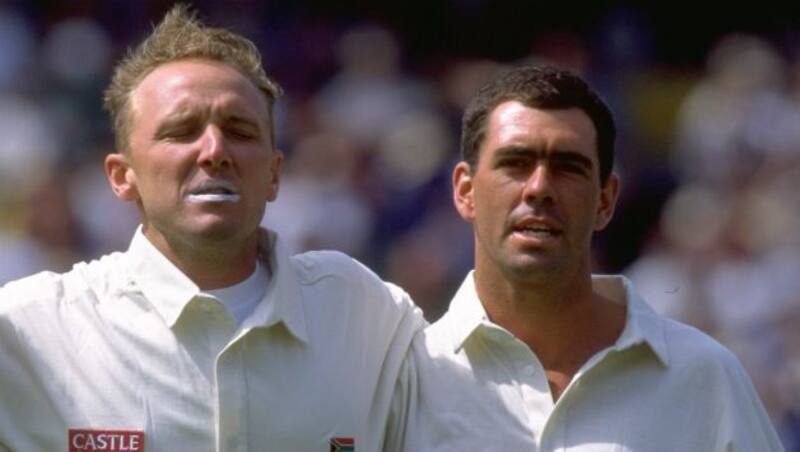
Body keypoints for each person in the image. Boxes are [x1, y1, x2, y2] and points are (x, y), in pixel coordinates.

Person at [0, 5, 422, 451]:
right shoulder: (31, 329)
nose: (215, 150)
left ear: (274, 174)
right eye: (181, 132)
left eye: (240, 131)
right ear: (122, 177)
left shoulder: (367, 316)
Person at [400, 65, 784, 451]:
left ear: (605, 200)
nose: (539, 188)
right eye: (515, 163)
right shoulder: (406, 381)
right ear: (466, 191)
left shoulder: (704, 376)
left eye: (568, 168)